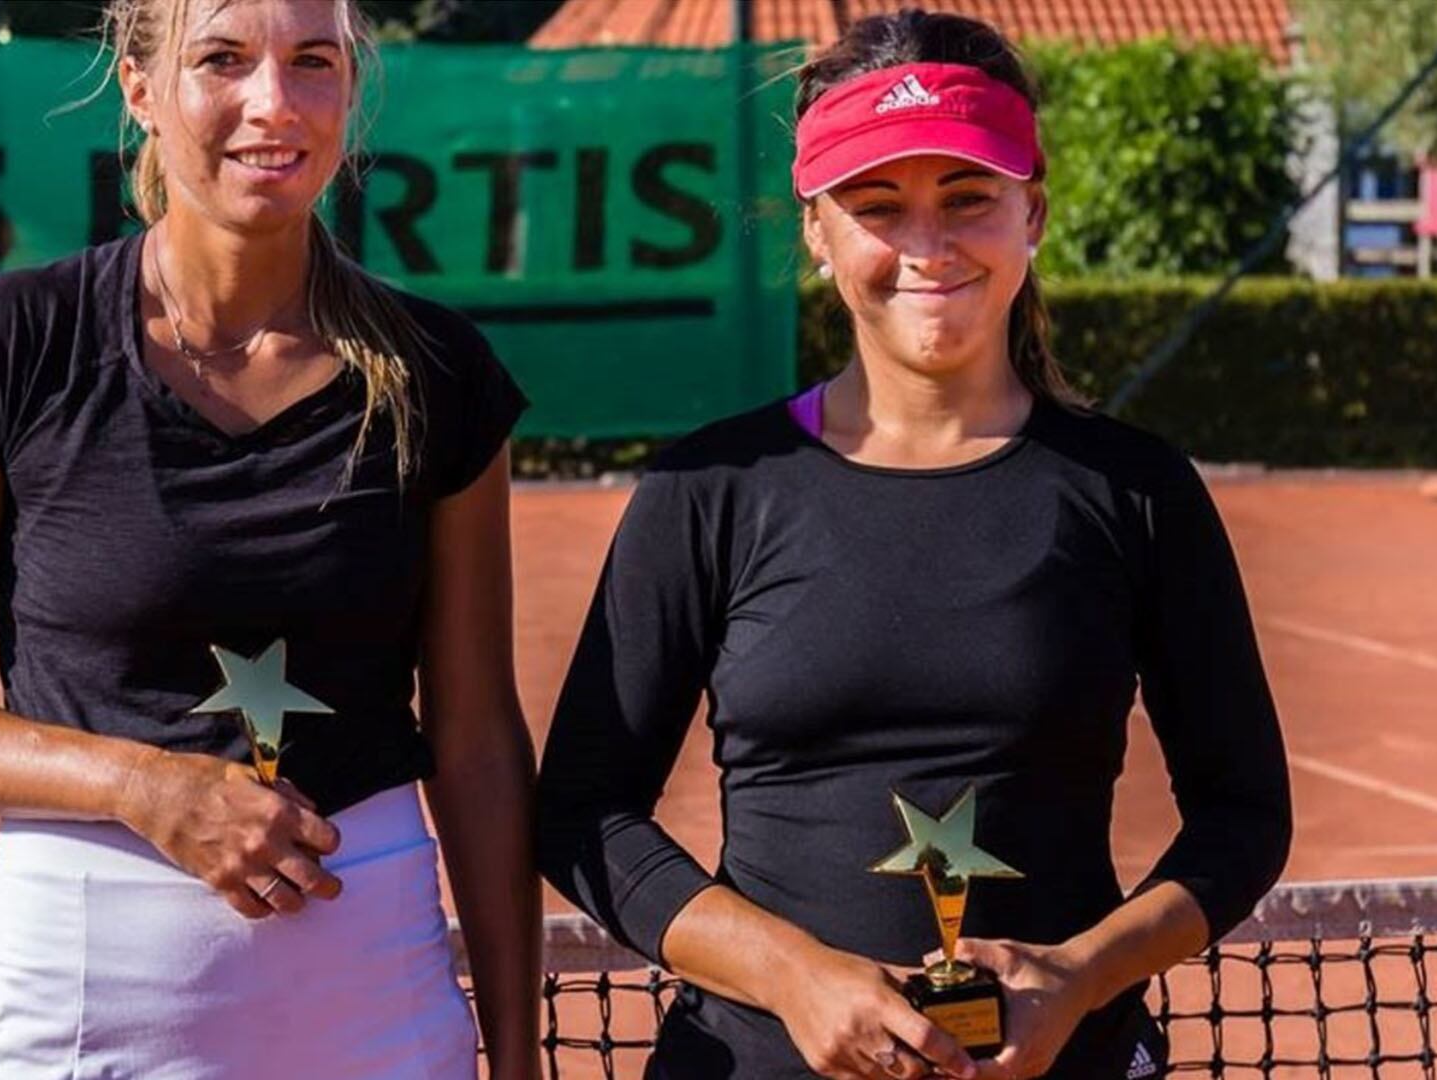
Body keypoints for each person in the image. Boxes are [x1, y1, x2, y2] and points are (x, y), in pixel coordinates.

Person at [535, 11, 1291, 1080]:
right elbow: (580, 814)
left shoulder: (1137, 491)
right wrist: (794, 976)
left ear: (1031, 211)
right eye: (879, 206)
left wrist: (1078, 976)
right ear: (818, 230)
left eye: (969, 200)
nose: (927, 248)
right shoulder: (706, 491)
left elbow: (1244, 816)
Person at [0, 1, 539, 1076]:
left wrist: (520, 1054)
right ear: (140, 85)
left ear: (351, 88)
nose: (274, 102)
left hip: (381, 1015)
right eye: (223, 58)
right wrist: (145, 787)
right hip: (75, 1012)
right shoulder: (7, 342)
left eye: (313, 61)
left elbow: (478, 737)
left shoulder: (441, 373)